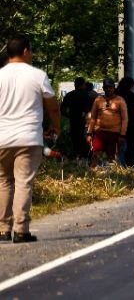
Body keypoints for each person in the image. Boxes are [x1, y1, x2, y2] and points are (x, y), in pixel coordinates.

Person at [0, 36, 60, 243]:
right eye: (31, 51)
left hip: (2, 138)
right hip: (28, 137)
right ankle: (21, 229)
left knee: (4, 181)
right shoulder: (37, 75)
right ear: (25, 51)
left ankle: (3, 229)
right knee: (23, 181)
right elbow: (52, 105)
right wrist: (56, 126)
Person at [88, 79, 128, 169]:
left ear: (114, 88)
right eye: (106, 87)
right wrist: (89, 133)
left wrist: (122, 134)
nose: (108, 89)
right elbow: (93, 117)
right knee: (96, 154)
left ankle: (114, 176)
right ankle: (93, 173)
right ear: (103, 88)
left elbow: (125, 119)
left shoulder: (120, 100)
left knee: (112, 158)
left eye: (110, 87)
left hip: (114, 133)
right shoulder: (98, 99)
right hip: (99, 132)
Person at [59, 77, 94, 162]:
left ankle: (77, 159)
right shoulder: (88, 95)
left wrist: (70, 116)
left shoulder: (69, 95)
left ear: (75, 85)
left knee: (75, 141)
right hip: (86, 123)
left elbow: (62, 110)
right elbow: (92, 110)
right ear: (83, 85)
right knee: (85, 141)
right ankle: (88, 159)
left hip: (73, 122)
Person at [117, 76, 134, 168]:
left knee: (118, 146)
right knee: (131, 147)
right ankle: (129, 166)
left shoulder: (116, 96)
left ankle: (118, 165)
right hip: (132, 125)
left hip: (118, 124)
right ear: (131, 86)